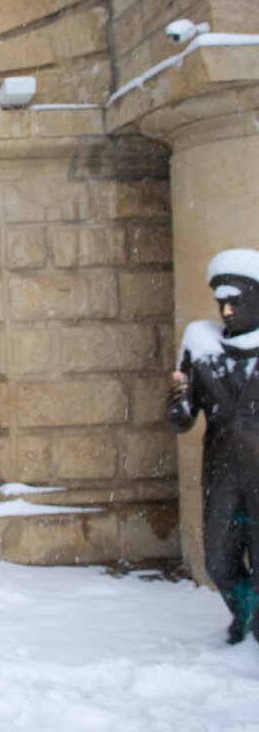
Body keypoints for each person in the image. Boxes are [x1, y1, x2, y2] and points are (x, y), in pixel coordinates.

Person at [168, 248, 259, 645]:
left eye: (235, 303)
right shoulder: (201, 345)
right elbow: (183, 418)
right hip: (223, 474)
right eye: (221, 303)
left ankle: (251, 631)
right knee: (220, 563)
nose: (226, 312)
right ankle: (248, 615)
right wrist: (175, 406)